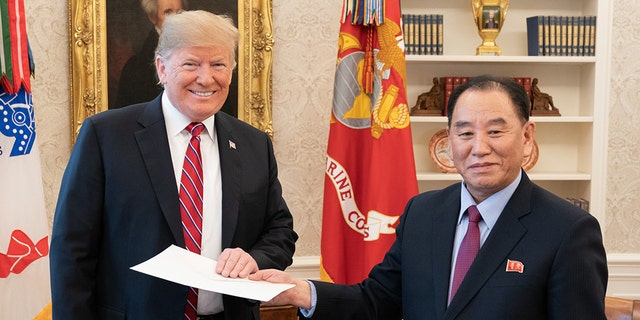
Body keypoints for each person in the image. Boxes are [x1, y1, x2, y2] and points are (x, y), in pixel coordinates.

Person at [250, 75, 608, 319]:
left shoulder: (569, 230)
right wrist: (301, 291)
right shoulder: (423, 212)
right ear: (448, 141)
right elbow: (379, 301)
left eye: (496, 131)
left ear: (527, 136)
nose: (479, 148)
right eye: (464, 132)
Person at [51, 10, 298, 320]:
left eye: (219, 64)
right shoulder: (106, 136)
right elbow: (71, 252)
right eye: (191, 64)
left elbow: (280, 230)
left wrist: (254, 258)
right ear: (162, 68)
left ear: (232, 71)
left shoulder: (253, 144)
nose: (206, 78)